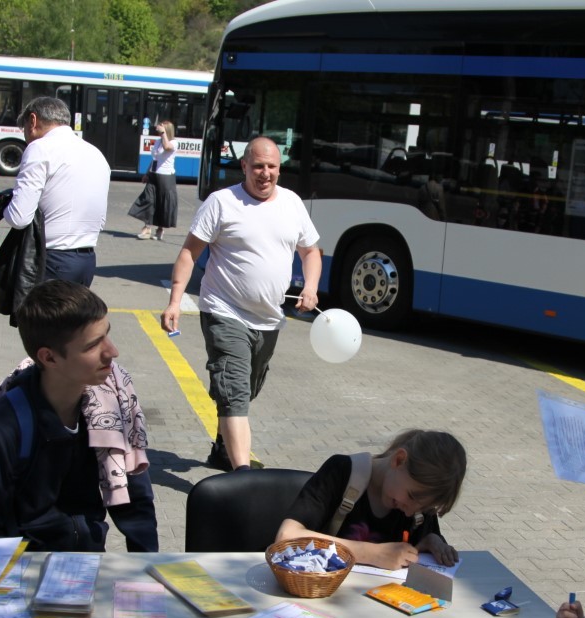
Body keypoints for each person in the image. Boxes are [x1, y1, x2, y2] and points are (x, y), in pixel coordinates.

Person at [161, 136, 322, 471]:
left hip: (269, 319)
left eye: (272, 167)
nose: (265, 173)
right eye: (258, 166)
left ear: (280, 168)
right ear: (245, 166)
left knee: (245, 390)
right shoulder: (222, 202)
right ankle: (242, 475)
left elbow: (310, 252)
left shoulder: (292, 203)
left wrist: (311, 286)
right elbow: (190, 253)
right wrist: (175, 300)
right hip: (224, 311)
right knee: (234, 393)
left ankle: (223, 448)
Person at [0, 280, 158, 552]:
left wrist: (145, 566)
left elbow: (135, 500)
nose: (112, 352)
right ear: (49, 358)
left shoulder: (112, 404)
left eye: (107, 335)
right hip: (25, 570)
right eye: (93, 345)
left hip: (86, 564)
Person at [275, 430, 465, 570]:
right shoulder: (342, 472)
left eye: (424, 507)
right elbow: (286, 537)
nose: (409, 511)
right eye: (411, 496)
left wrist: (430, 541)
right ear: (398, 460)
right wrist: (371, 554)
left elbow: (408, 555)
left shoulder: (417, 503)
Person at [4, 96, 110, 287]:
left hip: (51, 260)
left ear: (33, 121)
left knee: (34, 317)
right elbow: (100, 221)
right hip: (86, 259)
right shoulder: (95, 153)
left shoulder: (40, 148)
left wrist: (2, 205)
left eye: (24, 130)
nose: (26, 138)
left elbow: (19, 218)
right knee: (75, 317)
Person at [130, 119, 178, 241]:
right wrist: (147, 173)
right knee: (149, 199)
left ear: (166, 130)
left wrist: (163, 135)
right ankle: (146, 228)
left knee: (163, 203)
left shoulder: (173, 142)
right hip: (154, 174)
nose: (158, 128)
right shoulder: (158, 142)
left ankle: (160, 230)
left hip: (166, 177)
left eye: (161, 127)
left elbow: (167, 147)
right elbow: (155, 159)